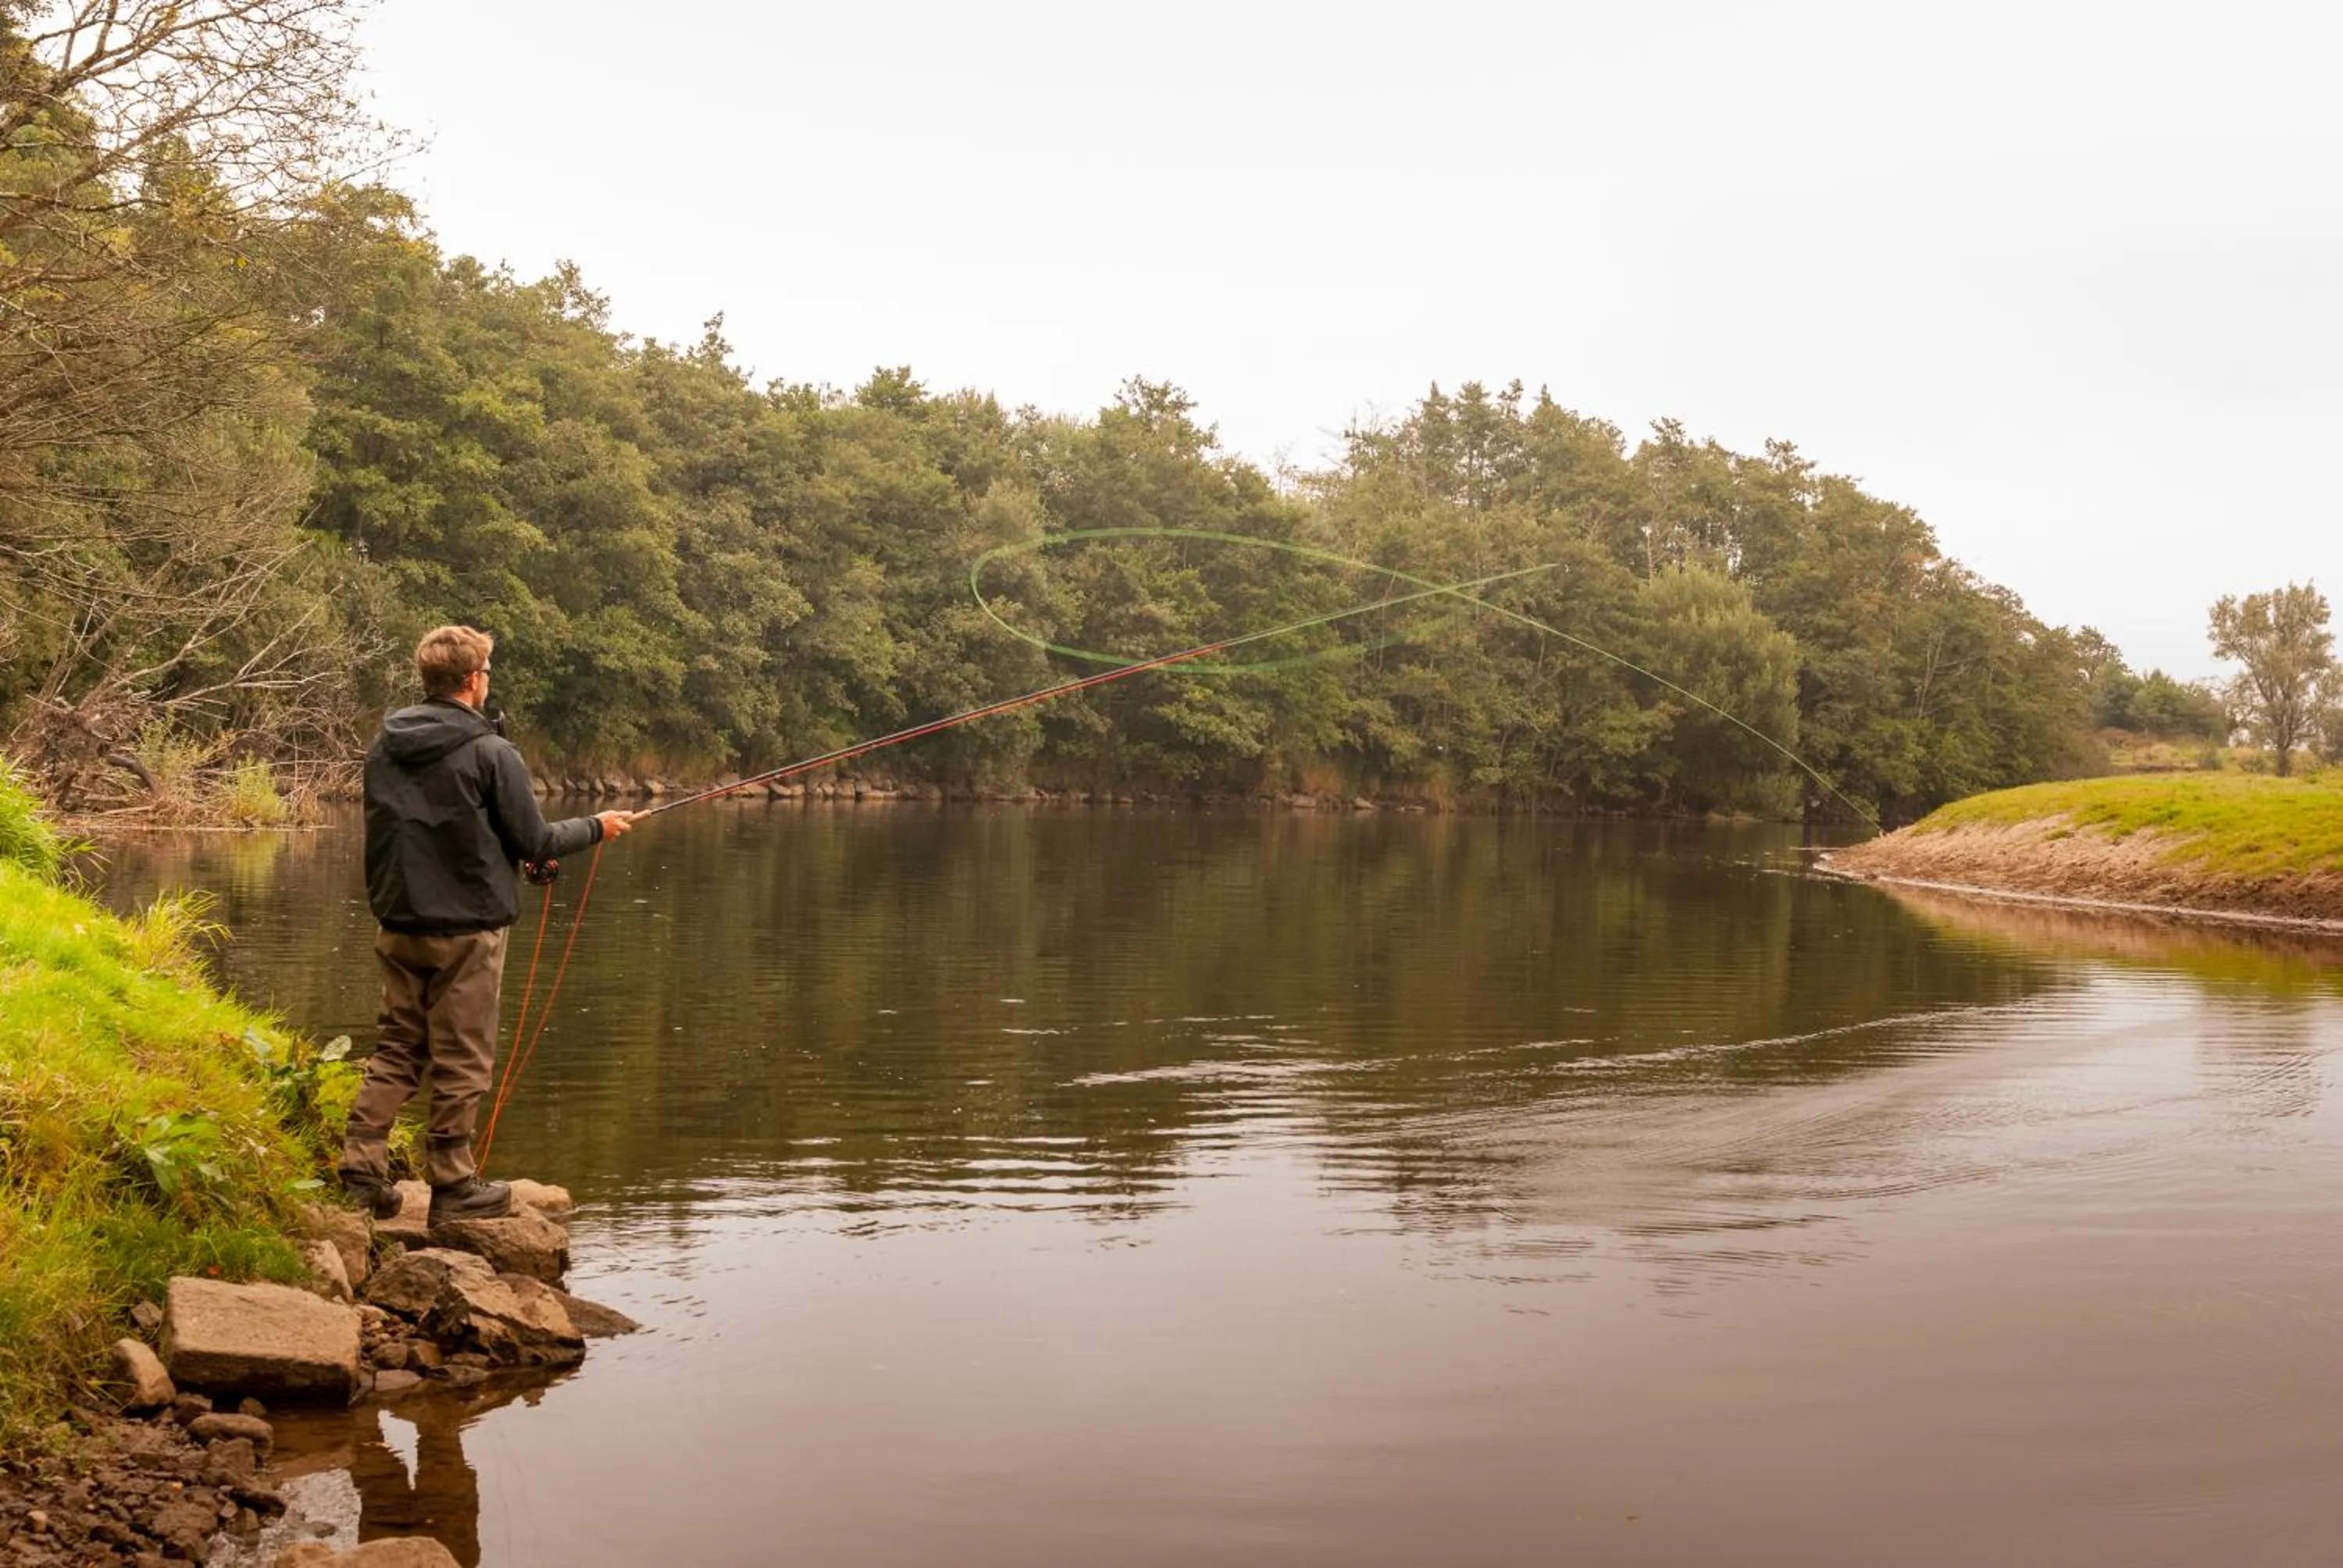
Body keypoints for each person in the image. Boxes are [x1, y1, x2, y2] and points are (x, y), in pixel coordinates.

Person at [337, 625, 636, 1225]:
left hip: (397, 921)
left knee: (398, 1048)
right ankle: (452, 1187)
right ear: (474, 680)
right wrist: (597, 826)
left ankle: (360, 1176)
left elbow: (460, 831)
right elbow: (534, 841)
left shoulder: (385, 745)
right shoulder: (491, 752)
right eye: (488, 672)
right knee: (463, 1056)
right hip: (466, 931)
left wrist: (527, 854)